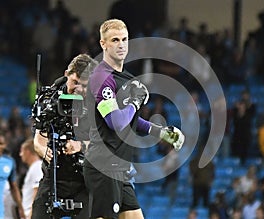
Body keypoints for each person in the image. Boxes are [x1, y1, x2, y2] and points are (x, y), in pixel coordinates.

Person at [83, 18, 185, 219]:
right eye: (114, 40)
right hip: (103, 166)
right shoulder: (102, 77)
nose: (121, 45)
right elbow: (116, 122)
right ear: (103, 44)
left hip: (120, 168)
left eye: (124, 39)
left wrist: (161, 132)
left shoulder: (126, 78)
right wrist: (135, 102)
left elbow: (132, 121)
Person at [31, 53, 98, 219]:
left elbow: (105, 142)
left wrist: (79, 145)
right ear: (66, 74)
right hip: (53, 178)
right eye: (75, 82)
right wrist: (44, 151)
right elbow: (38, 140)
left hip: (85, 180)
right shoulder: (49, 99)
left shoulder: (98, 102)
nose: (78, 89)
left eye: (84, 85)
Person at [0, 131, 25, 219]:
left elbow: (14, 187)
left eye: (1, 144)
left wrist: (21, 207)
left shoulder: (9, 162)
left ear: (5, 145)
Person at [19, 137, 43, 219]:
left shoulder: (37, 166)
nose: (20, 154)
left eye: (22, 151)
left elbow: (37, 191)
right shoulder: (33, 167)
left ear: (27, 152)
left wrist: (31, 214)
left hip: (31, 214)